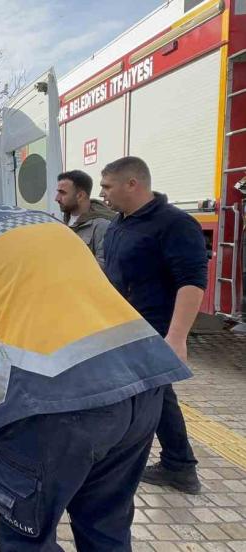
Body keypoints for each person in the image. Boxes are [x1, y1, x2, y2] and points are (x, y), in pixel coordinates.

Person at [0, 169, 191, 551]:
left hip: (53, 406)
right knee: (106, 530)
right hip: (141, 384)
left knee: (26, 539)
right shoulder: (46, 223)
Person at [100, 156, 208, 495]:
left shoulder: (174, 224)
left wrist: (176, 338)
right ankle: (177, 464)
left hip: (154, 329)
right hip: (124, 327)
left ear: (132, 184)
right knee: (155, 396)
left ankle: (179, 465)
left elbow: (192, 282)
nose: (102, 194)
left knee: (154, 396)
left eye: (107, 186)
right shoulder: (120, 223)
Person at [55, 170, 114, 267]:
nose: (57, 198)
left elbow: (102, 267)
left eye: (63, 193)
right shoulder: (62, 223)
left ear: (80, 196)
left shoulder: (102, 225)